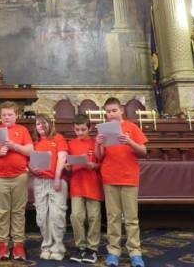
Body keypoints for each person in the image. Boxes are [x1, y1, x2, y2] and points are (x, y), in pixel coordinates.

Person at [96, 97, 148, 267]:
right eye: (108, 112)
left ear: (121, 110)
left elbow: (143, 152)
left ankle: (135, 252)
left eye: (113, 111)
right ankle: (113, 251)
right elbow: (99, 157)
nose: (110, 114)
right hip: (110, 177)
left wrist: (129, 141)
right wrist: (98, 144)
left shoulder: (132, 128)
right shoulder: (103, 130)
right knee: (113, 217)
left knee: (131, 218)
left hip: (129, 177)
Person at [0, 101, 33, 261]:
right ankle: (2, 245)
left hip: (19, 176)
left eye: (10, 114)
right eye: (4, 114)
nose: (6, 117)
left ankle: (18, 245)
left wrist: (14, 146)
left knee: (18, 212)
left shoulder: (22, 130)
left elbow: (30, 150)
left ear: (16, 115)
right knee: (2, 212)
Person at [29, 114, 68, 261]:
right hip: (40, 182)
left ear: (50, 124)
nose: (41, 127)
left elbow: (62, 158)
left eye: (44, 123)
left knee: (56, 215)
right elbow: (29, 162)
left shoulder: (58, 138)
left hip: (56, 181)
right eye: (38, 124)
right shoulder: (35, 142)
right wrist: (33, 169)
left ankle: (57, 247)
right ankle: (46, 246)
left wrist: (57, 178)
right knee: (42, 216)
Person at [68, 114, 103, 265]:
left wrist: (94, 165)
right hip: (77, 184)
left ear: (89, 128)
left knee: (94, 217)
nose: (80, 132)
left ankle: (92, 248)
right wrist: (68, 166)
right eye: (77, 130)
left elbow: (101, 163)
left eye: (83, 129)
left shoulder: (96, 142)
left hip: (93, 184)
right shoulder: (71, 143)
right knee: (76, 216)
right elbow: (68, 163)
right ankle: (80, 246)